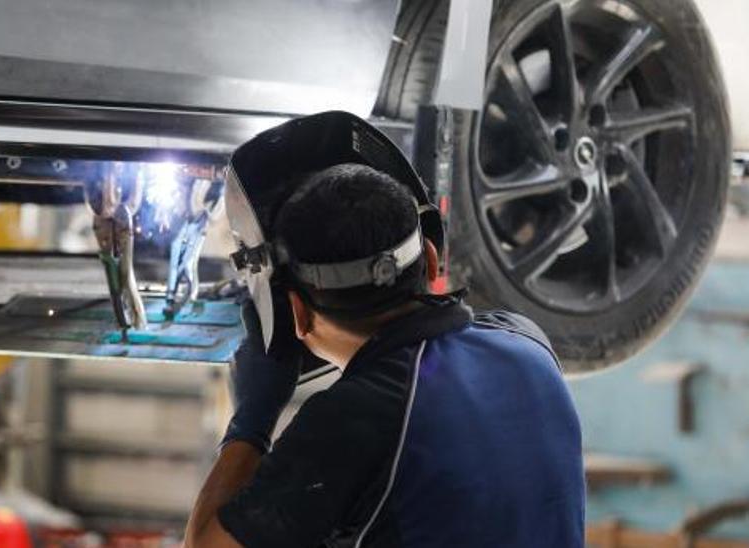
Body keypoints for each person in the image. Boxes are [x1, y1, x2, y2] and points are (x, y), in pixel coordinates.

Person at [184, 112, 585, 547]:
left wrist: (251, 421)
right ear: (430, 260)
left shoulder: (356, 418)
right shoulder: (526, 341)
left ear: (295, 312)